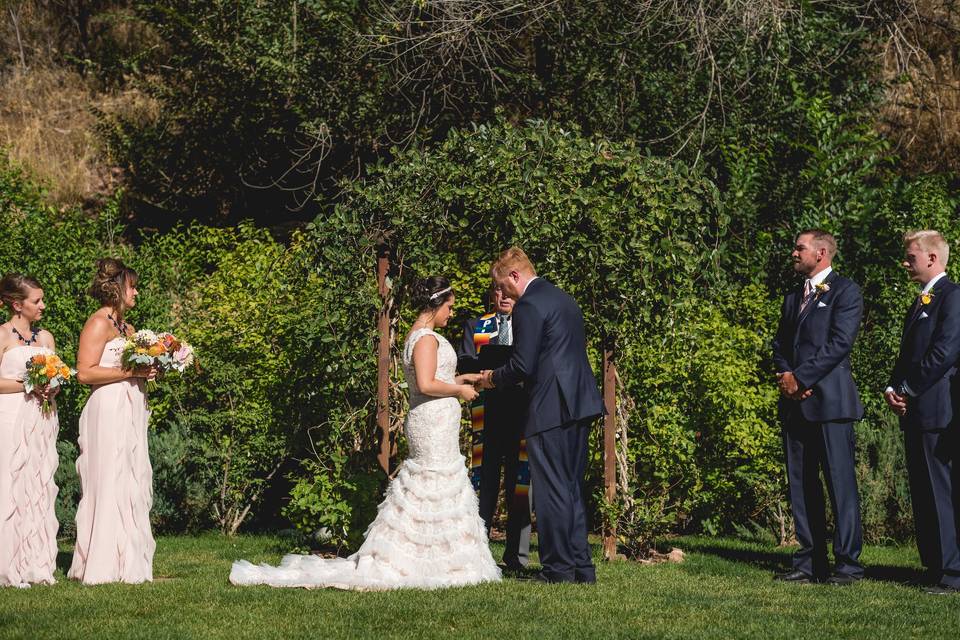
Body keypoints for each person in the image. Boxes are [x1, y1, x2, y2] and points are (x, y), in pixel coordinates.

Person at [231, 276, 501, 590]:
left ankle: (435, 554)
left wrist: (462, 376)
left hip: (433, 421)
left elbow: (433, 376)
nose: (451, 314)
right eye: (450, 307)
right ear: (436, 304)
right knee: (433, 482)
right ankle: (428, 560)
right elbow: (426, 384)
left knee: (434, 483)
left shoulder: (419, 336)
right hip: (432, 424)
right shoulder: (426, 338)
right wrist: (459, 391)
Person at [480, 248, 603, 584]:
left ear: (515, 276)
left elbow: (522, 365)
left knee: (550, 492)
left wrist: (489, 378)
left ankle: (557, 570)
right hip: (580, 403)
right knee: (571, 489)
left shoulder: (530, 306)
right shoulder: (564, 298)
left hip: (551, 407)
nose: (503, 294)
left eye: (503, 286)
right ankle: (581, 569)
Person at [771, 229, 864, 585]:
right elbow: (779, 342)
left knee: (840, 485)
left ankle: (848, 565)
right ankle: (809, 562)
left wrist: (802, 379)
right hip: (796, 404)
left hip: (831, 404)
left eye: (800, 248)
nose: (794, 253)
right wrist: (785, 375)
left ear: (821, 253)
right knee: (801, 484)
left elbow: (840, 343)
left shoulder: (846, 291)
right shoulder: (793, 296)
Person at [68, 258, 157, 584]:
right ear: (118, 289)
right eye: (132, 286)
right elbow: (85, 372)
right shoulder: (97, 324)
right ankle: (101, 563)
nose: (136, 292)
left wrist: (151, 368)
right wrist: (131, 371)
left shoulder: (129, 329)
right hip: (106, 407)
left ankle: (126, 560)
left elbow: (130, 367)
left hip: (131, 405)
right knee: (108, 478)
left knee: (129, 478)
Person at [884, 230, 960, 595]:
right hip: (914, 409)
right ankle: (932, 566)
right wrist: (891, 387)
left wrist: (908, 389)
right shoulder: (920, 301)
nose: (905, 262)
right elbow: (908, 355)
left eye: (910, 256)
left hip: (937, 409)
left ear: (932, 258)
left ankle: (952, 571)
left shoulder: (953, 297)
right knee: (921, 490)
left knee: (941, 491)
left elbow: (943, 353)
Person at [458, 285, 531, 571]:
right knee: (482, 483)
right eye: (498, 292)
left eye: (509, 293)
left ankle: (517, 557)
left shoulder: (528, 326)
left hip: (522, 413)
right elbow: (465, 361)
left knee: (521, 484)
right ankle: (479, 552)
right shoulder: (477, 326)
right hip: (486, 413)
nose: (503, 298)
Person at [0, 274, 59, 587]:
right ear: (16, 304)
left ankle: (37, 563)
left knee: (38, 487)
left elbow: (58, 377)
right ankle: (8, 563)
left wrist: (51, 386)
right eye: (37, 301)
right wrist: (29, 384)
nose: (42, 306)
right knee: (11, 486)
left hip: (42, 420)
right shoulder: (2, 336)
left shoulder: (46, 338)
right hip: (10, 419)